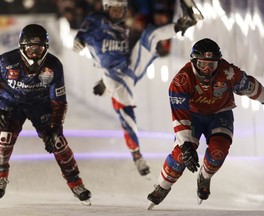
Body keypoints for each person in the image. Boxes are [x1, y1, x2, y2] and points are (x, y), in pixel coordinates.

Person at [73, 0, 199, 177]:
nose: (118, 14)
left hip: (130, 67)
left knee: (150, 34)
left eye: (121, 10)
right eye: (114, 10)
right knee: (125, 112)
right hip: (113, 75)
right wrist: (78, 42)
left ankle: (185, 22)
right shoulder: (96, 20)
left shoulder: (125, 24)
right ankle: (137, 155)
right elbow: (81, 36)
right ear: (106, 9)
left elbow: (125, 47)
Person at [147, 38, 264, 208]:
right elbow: (180, 116)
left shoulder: (228, 72)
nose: (207, 70)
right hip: (192, 117)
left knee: (218, 151)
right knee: (181, 155)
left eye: (212, 65)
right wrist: (186, 145)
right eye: (202, 65)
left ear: (219, 63)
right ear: (193, 62)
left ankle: (205, 177)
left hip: (220, 113)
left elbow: (248, 85)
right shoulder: (181, 80)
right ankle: (162, 187)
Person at [0, 24, 91, 205]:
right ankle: (1, 177)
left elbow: (59, 101)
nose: (35, 54)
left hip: (40, 105)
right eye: (31, 49)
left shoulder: (54, 65)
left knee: (58, 142)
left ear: (46, 49)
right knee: (3, 138)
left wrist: (56, 127)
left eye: (39, 49)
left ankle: (76, 183)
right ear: (22, 48)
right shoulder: (4, 62)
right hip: (10, 104)